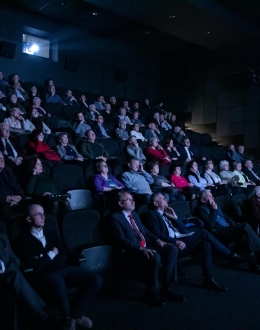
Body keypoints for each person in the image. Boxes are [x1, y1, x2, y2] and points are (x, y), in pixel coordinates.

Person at [17, 204, 102, 330]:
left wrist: (43, 257)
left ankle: (75, 317)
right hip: (47, 274)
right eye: (38, 214)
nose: (43, 217)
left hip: (64, 268)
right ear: (29, 219)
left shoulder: (51, 234)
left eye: (43, 213)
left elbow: (64, 256)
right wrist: (52, 253)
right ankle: (68, 318)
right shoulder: (24, 239)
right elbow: (35, 266)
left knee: (96, 279)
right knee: (58, 283)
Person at [144, 193, 244, 291]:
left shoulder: (168, 213)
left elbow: (184, 231)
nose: (166, 199)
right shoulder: (151, 214)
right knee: (203, 232)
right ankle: (230, 256)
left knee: (206, 244)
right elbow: (156, 233)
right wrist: (174, 242)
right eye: (162, 198)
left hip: (182, 238)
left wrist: (175, 218)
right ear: (156, 203)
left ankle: (208, 279)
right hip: (172, 245)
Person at [109, 191, 184, 307]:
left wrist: (158, 241)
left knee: (172, 249)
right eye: (128, 199)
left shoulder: (135, 215)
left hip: (147, 246)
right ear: (120, 203)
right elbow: (120, 240)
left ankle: (166, 287)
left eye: (132, 199)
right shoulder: (115, 218)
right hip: (133, 251)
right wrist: (140, 248)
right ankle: (151, 293)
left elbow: (145, 232)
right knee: (155, 256)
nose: (133, 201)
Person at [195, 189, 260, 274]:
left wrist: (233, 224)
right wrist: (213, 210)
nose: (213, 198)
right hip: (219, 232)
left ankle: (253, 265)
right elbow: (210, 224)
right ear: (203, 200)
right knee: (245, 225)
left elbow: (225, 217)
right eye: (210, 196)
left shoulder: (214, 206)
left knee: (244, 234)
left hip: (228, 228)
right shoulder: (201, 210)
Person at [0, 231, 53, 326]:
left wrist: (7, 271)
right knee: (14, 275)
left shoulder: (2, 238)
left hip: (7, 280)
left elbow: (15, 260)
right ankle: (43, 315)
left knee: (14, 294)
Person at [0, 151, 24, 224]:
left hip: (15, 199)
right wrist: (7, 198)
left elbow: (16, 185)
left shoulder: (8, 169)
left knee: (35, 204)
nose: (1, 160)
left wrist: (19, 196)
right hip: (2, 202)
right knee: (4, 209)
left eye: (2, 158)